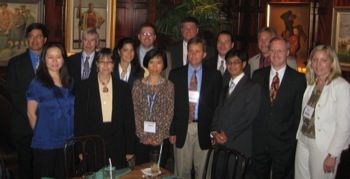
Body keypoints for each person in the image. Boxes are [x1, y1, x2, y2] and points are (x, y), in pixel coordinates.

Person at [251, 37, 306, 179]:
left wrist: (291, 141)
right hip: (259, 142)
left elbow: (298, 114)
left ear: (287, 52)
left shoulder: (298, 79)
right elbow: (252, 108)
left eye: (280, 50)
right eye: (272, 50)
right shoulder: (257, 76)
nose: (275, 54)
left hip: (284, 144)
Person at [169, 37, 222, 179]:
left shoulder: (215, 75)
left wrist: (214, 130)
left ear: (204, 54)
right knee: (182, 172)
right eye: (190, 51)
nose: (193, 55)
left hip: (205, 128)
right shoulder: (175, 74)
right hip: (182, 128)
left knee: (204, 173)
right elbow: (171, 105)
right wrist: (172, 130)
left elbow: (218, 105)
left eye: (197, 51)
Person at [295, 45, 350, 179]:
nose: (318, 64)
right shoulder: (311, 83)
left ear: (331, 63)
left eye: (323, 60)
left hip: (323, 145)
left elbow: (344, 126)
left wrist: (333, 155)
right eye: (315, 60)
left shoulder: (341, 87)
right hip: (303, 140)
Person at [74, 48, 135, 169]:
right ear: (96, 64)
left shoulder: (123, 87)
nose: (105, 65)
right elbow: (79, 120)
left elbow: (129, 119)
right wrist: (80, 149)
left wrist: (130, 148)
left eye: (109, 62)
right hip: (93, 142)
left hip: (118, 141)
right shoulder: (84, 87)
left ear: (114, 65)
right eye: (102, 61)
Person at [6, 22, 48, 179]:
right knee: (26, 167)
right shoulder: (15, 63)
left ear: (45, 40)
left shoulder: (53, 61)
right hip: (23, 127)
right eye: (31, 37)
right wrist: (33, 118)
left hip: (48, 127)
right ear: (27, 40)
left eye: (38, 37)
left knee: (45, 167)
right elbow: (14, 95)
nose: (35, 40)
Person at [211, 49, 261, 178]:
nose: (232, 65)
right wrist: (215, 132)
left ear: (244, 64)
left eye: (236, 62)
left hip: (239, 144)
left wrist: (228, 134)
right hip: (221, 144)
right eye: (229, 62)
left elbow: (249, 116)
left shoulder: (253, 87)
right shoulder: (226, 86)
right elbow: (218, 111)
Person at [26, 43, 74, 179]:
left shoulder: (69, 82)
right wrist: (42, 133)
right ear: (44, 59)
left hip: (67, 142)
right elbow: (30, 113)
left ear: (63, 59)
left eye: (58, 57)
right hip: (46, 144)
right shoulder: (37, 83)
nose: (54, 61)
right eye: (50, 57)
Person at [132, 48, 174, 166]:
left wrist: (158, 136)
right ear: (146, 64)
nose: (155, 66)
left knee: (158, 172)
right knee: (141, 171)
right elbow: (135, 112)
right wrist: (143, 136)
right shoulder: (138, 85)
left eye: (159, 62)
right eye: (151, 62)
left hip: (161, 138)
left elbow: (169, 113)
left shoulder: (169, 86)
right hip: (141, 139)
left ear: (164, 65)